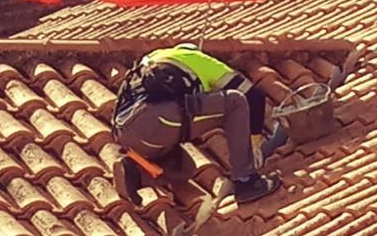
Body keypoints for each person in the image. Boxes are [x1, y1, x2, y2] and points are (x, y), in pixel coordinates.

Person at [111, 44, 287, 205]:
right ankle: (246, 181)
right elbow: (253, 96)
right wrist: (254, 143)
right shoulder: (201, 60)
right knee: (235, 101)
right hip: (158, 119)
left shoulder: (154, 58)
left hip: (126, 133)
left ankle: (135, 173)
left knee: (185, 168)